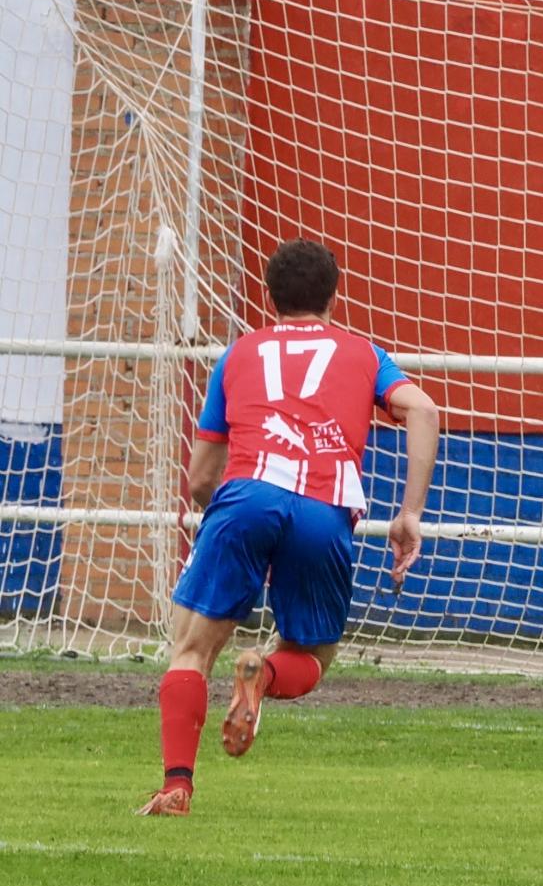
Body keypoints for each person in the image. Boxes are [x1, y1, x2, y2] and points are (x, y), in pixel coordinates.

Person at [136, 239, 440, 816]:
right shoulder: (363, 353)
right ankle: (264, 672)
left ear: (271, 296)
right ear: (333, 294)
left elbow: (201, 476)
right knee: (314, 654)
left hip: (247, 496)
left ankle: (177, 784)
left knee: (190, 648)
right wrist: (409, 514)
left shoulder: (239, 354)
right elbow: (422, 410)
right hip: (323, 513)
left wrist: (225, 515)